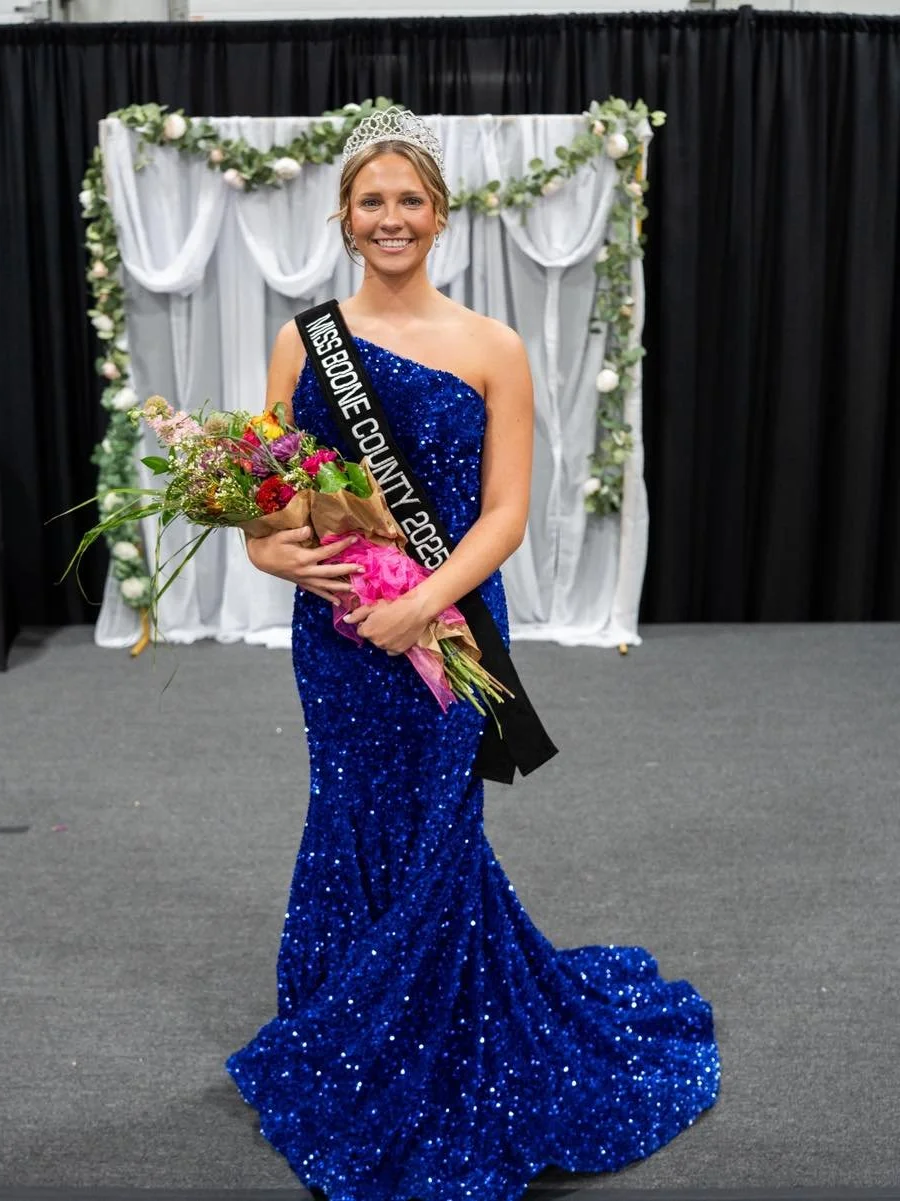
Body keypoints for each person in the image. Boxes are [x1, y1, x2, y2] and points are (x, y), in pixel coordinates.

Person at [226, 109, 720, 1200]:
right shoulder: (301, 341)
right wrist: (281, 559)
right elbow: (265, 506)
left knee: (440, 822)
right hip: (343, 632)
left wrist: (425, 607)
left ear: (439, 217)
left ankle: (435, 1042)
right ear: (345, 219)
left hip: (447, 630)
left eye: (411, 200)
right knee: (351, 812)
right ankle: (350, 1019)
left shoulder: (494, 346)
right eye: (372, 201)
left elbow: (503, 517)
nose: (391, 217)